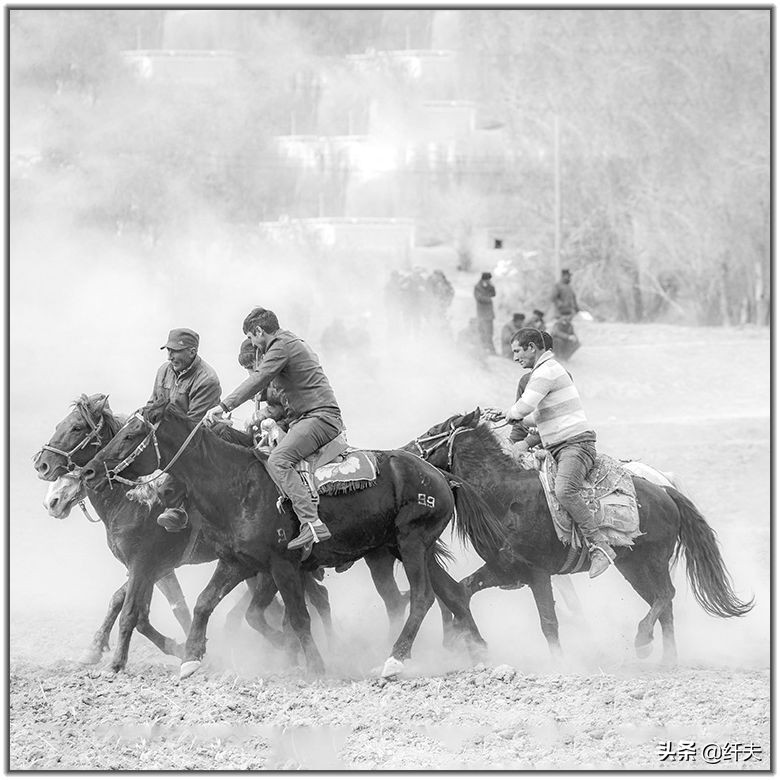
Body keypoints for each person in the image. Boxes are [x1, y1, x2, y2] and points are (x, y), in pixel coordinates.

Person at [204, 307, 344, 551]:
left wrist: (223, 406)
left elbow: (259, 378)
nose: (252, 343)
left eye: (250, 337)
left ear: (259, 331)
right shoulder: (285, 344)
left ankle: (311, 523)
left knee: (278, 460)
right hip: (305, 418)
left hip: (320, 417)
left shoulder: (281, 346)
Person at [493, 327, 614, 578]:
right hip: (558, 446)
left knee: (564, 490)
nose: (514, 357)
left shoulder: (545, 372)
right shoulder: (547, 371)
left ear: (532, 348)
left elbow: (523, 408)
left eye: (517, 351)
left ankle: (600, 547)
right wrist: (504, 416)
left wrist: (509, 415)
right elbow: (534, 418)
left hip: (574, 445)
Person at [150, 327, 221, 531]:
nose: (170, 356)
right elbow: (153, 404)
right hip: (168, 433)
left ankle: (178, 509)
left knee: (173, 478)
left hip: (198, 439)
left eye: (175, 351)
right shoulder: (164, 370)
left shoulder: (207, 379)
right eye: (168, 350)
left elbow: (191, 427)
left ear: (192, 352)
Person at [473, 271, 496, 354]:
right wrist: (488, 298)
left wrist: (490, 286)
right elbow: (479, 298)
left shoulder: (489, 286)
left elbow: (493, 294)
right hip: (482, 313)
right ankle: (482, 349)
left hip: (489, 314)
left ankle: (490, 349)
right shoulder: (478, 287)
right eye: (488, 280)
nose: (489, 281)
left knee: (490, 332)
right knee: (482, 332)